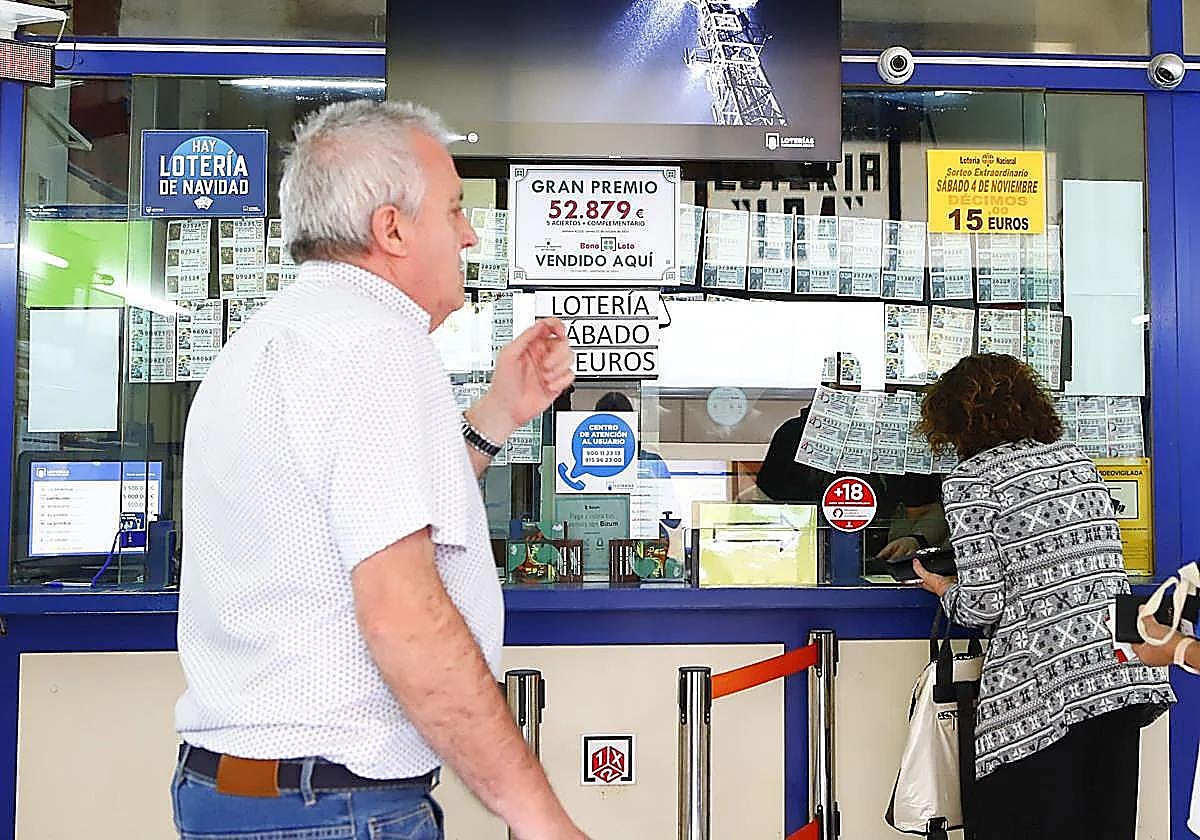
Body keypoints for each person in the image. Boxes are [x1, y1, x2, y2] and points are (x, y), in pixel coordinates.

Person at [171, 101, 587, 840]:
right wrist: (540, 818)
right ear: (392, 230)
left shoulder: (269, 341)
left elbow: (356, 511)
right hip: (333, 808)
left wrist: (497, 413)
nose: (469, 233)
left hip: (241, 792)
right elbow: (405, 617)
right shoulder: (376, 348)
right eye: (455, 209)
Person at [911, 353, 1173, 839]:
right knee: (1104, 826)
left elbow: (983, 605)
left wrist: (944, 586)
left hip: (1040, 694)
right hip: (1118, 677)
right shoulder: (1077, 462)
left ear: (953, 421)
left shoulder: (972, 480)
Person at [752, 406, 949, 559]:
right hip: (796, 558)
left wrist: (915, 540)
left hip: (880, 568)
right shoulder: (794, 436)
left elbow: (928, 511)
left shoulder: (897, 439)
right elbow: (763, 506)